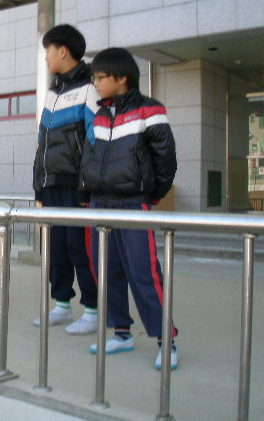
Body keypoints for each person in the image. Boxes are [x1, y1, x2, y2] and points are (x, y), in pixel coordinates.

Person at [80, 47, 178, 369]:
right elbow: (89, 158)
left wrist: (153, 194)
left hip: (132, 205)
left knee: (144, 273)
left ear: (122, 78)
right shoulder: (99, 114)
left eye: (100, 77)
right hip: (100, 206)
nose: (96, 83)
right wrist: (86, 195)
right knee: (106, 272)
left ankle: (166, 341)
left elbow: (166, 159)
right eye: (94, 78)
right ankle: (121, 333)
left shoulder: (150, 110)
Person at [31, 25, 99, 335]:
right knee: (55, 248)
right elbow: (43, 143)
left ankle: (92, 310)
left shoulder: (90, 87)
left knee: (79, 247)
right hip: (52, 185)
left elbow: (95, 141)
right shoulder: (52, 93)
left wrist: (87, 187)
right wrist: (39, 186)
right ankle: (62, 305)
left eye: (48, 51)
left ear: (62, 51)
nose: (46, 57)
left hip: (76, 185)